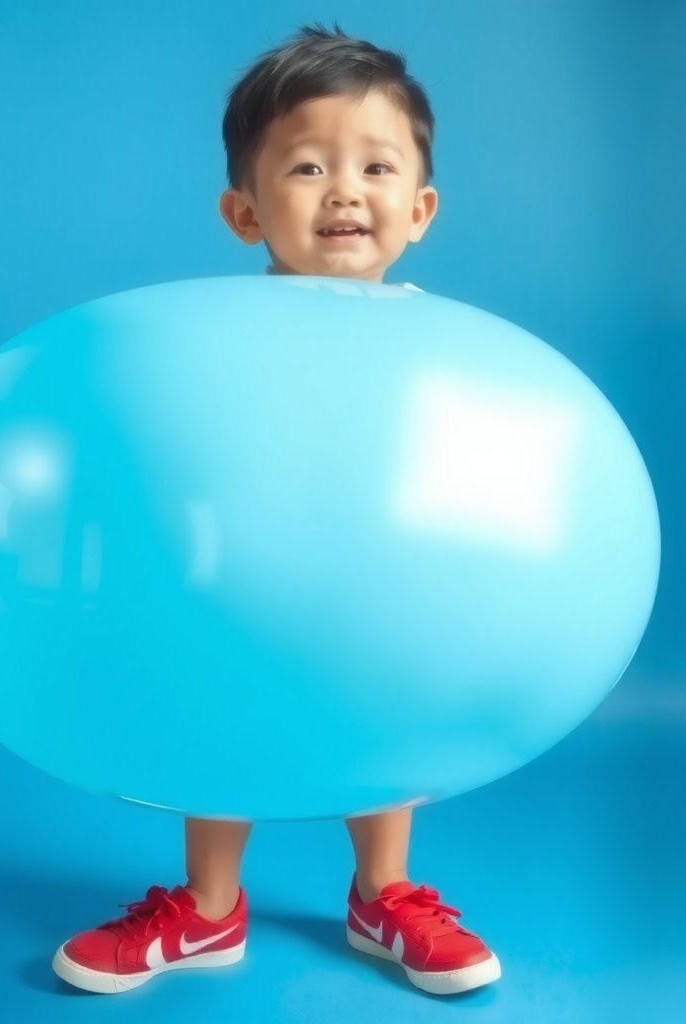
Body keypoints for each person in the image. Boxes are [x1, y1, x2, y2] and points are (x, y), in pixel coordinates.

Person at [52, 22, 501, 997]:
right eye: (305, 166)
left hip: (384, 579)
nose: (344, 189)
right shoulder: (216, 338)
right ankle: (209, 908)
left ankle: (385, 892)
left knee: (387, 705)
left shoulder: (446, 344)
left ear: (419, 208)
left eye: (375, 166)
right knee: (219, 705)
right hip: (244, 580)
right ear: (243, 212)